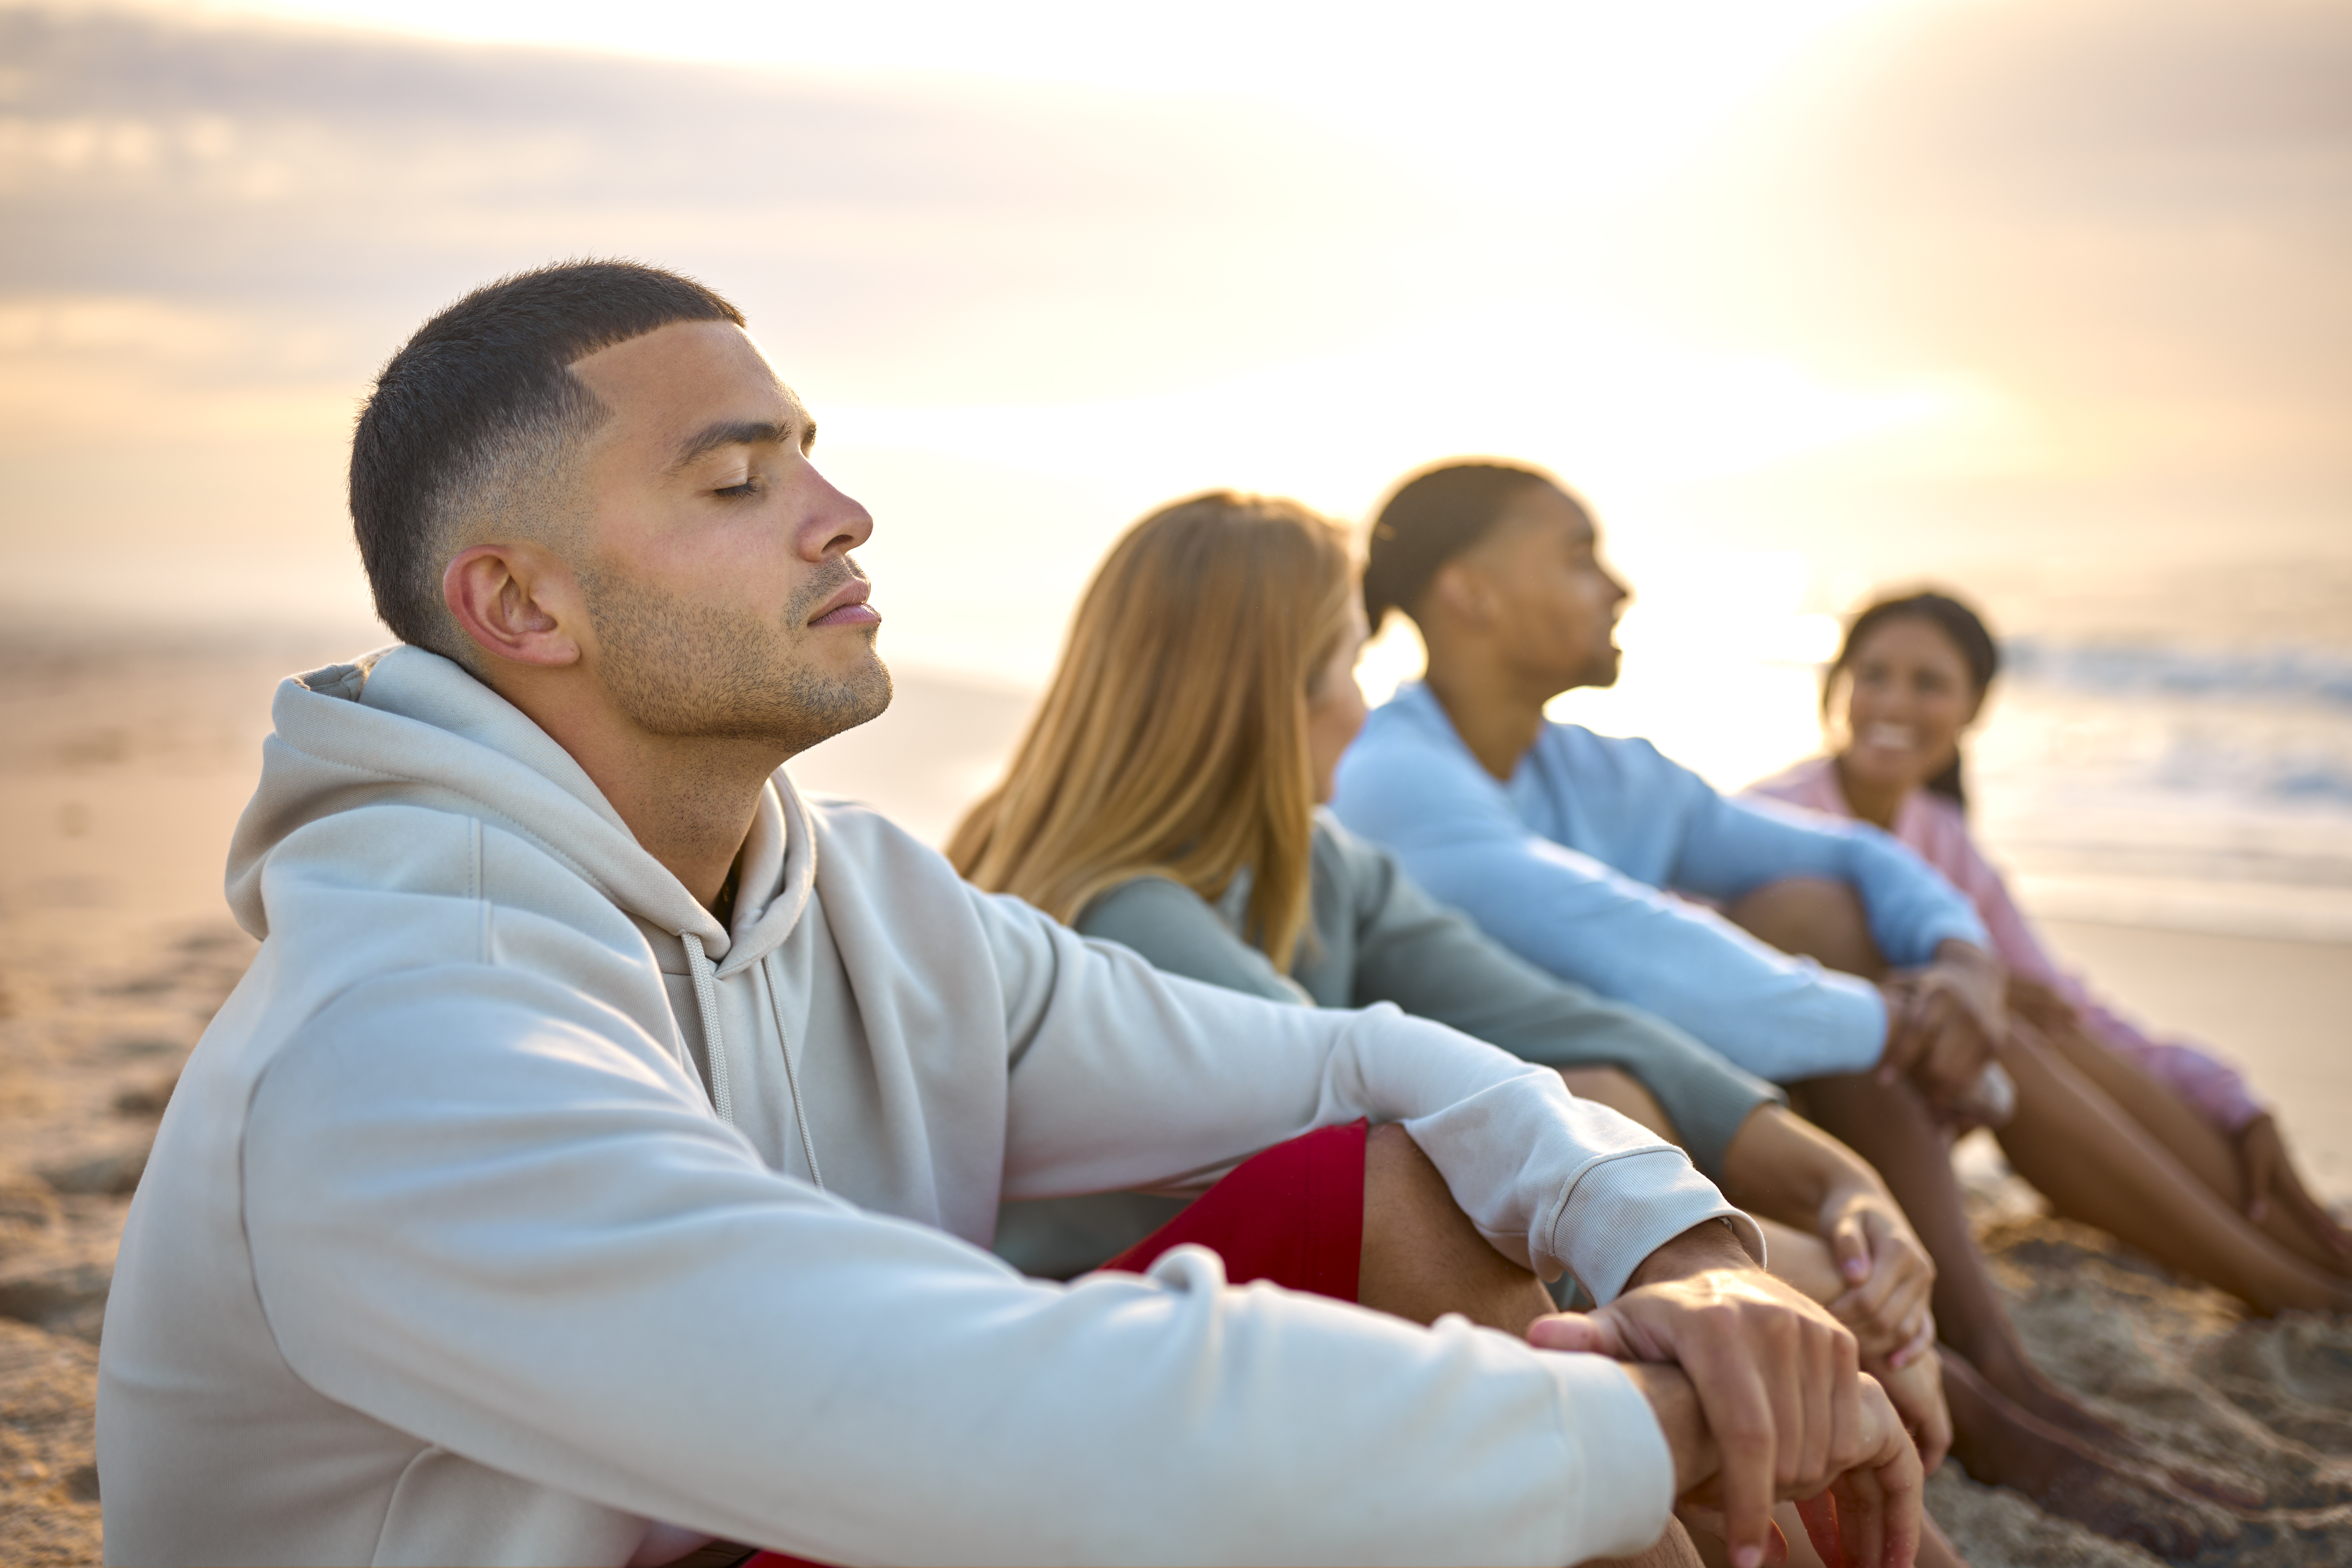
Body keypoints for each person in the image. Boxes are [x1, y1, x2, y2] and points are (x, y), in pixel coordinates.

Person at [94, 265, 1919, 1568]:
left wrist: (1681, 1252)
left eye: (810, 455)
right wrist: (1661, 1419)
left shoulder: (867, 899)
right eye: (738, 482)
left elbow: (1368, 1055)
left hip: (789, 1519)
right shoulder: (407, 1034)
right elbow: (980, 1412)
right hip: (846, 1486)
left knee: (1405, 1180)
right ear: (521, 604)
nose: (841, 512)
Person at [946, 492, 1966, 1549]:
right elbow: (1365, 1151)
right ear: (1268, 698)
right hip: (1121, 1399)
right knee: (1667, 1317)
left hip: (1281, 1342)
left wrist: (1844, 1189)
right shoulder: (1132, 911)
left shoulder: (1323, 866)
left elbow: (1573, 1018)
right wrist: (1742, 1279)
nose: (1364, 704)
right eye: (1349, 663)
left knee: (1626, 1137)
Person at [1328, 459, 2230, 1558]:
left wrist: (1958, 960)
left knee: (1827, 907)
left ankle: (2041, 1335)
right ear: (1468, 591)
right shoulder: (1395, 775)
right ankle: (1989, 1372)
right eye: (1577, 556)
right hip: (1534, 1163)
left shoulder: (1603, 773)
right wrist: (1900, 1021)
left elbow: (1849, 851)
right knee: (1766, 1022)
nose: (1617, 587)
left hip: (1671, 1110)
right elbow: (1635, 954)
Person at [1746, 589, 2352, 1314]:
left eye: (1928, 683)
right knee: (2000, 1028)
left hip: (1909, 1104)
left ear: (1974, 709)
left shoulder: (1938, 831)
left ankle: (2313, 1253)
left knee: (2044, 1021)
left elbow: (2074, 1006)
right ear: (1838, 688)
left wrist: (2231, 1099)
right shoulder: (1769, 818)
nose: (1892, 702)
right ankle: (2277, 1284)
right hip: (1791, 1111)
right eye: (1873, 675)